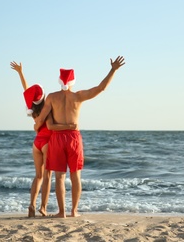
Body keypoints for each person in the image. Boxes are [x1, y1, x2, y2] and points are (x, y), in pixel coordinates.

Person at [34, 56, 126, 218]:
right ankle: (74, 211)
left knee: (59, 177)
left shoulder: (51, 97)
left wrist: (36, 126)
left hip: (56, 138)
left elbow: (41, 119)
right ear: (72, 82)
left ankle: (61, 212)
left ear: (59, 81)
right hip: (73, 138)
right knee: (75, 175)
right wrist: (113, 70)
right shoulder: (77, 97)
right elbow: (100, 88)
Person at [10, 61, 77, 217]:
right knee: (47, 176)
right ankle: (43, 207)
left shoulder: (32, 109)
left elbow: (27, 90)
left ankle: (31, 205)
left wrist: (21, 73)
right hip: (48, 143)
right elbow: (51, 125)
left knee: (38, 176)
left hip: (36, 143)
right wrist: (70, 126)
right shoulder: (49, 106)